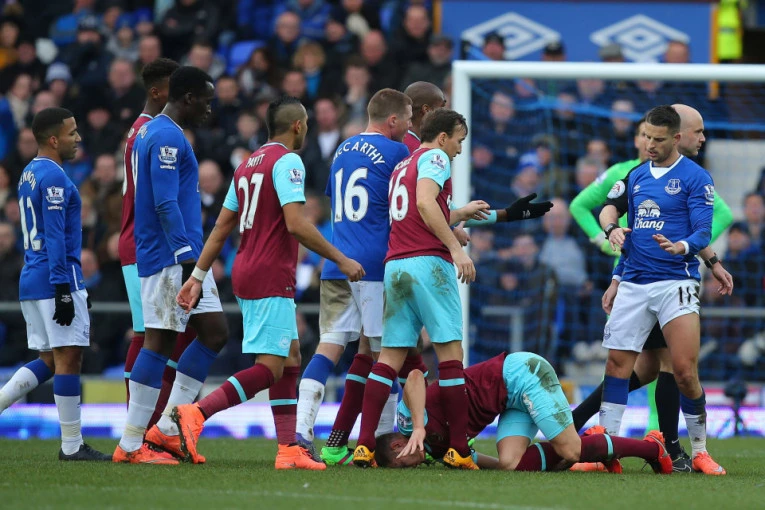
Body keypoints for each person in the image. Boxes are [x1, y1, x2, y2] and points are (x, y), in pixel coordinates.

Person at [170, 95, 365, 470]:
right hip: (269, 272)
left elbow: (221, 227)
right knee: (270, 367)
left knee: (290, 357)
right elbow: (296, 223)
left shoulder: (247, 165)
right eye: (306, 123)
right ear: (297, 126)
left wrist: (197, 276)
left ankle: (289, 448)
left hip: (248, 267)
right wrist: (340, 258)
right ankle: (195, 413)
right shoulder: (288, 161)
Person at [352, 109, 551, 469]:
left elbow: (438, 211)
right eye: (459, 140)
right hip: (429, 264)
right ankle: (459, 448)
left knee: (389, 359)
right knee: (450, 357)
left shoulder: (405, 165)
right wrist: (456, 250)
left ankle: (364, 446)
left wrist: (507, 214)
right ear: (443, 137)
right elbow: (426, 204)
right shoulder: (436, 158)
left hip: (396, 265)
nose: (460, 149)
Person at [568, 105, 733, 471]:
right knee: (626, 366)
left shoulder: (696, 177)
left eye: (656, 138)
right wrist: (610, 242)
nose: (649, 144)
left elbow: (703, 228)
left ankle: (690, 449)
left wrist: (694, 252)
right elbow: (609, 213)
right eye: (646, 137)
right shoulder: (633, 174)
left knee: (679, 370)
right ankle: (611, 450)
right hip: (634, 281)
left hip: (675, 281)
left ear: (674, 137)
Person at [113, 66, 229, 465]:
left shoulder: (154, 131)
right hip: (170, 257)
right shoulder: (164, 136)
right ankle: (131, 444)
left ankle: (167, 427)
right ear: (188, 98)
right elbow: (164, 202)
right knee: (158, 341)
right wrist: (184, 257)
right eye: (206, 101)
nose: (209, 109)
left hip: (178, 255)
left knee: (214, 332)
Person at [295, 88, 412, 458]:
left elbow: (338, 201)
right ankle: (380, 441)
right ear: (392, 120)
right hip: (374, 265)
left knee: (328, 346)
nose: (409, 127)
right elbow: (403, 206)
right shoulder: (397, 151)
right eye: (407, 119)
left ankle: (301, 434)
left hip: (337, 262)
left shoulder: (342, 149)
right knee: (384, 357)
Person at [375, 352, 672, 475]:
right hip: (509, 402)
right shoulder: (433, 451)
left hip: (522, 374)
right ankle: (592, 447)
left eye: (403, 464)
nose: (410, 467)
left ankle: (652, 447)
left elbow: (415, 377)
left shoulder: (408, 423)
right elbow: (473, 457)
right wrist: (483, 468)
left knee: (570, 450)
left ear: (399, 445)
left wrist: (418, 425)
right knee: (509, 464)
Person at [11, 107, 111, 461]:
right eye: (72, 133)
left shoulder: (29, 173)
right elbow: (55, 235)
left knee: (49, 360)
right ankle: (72, 445)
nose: (78, 138)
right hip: (54, 277)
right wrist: (63, 289)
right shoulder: (54, 177)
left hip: (31, 278)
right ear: (53, 140)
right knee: (69, 357)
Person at [119, 57, 197, 432]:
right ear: (156, 92)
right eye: (173, 86)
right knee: (149, 335)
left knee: (177, 334)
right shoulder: (150, 131)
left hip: (150, 242)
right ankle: (141, 427)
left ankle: (161, 424)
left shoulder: (144, 130)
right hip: (146, 243)